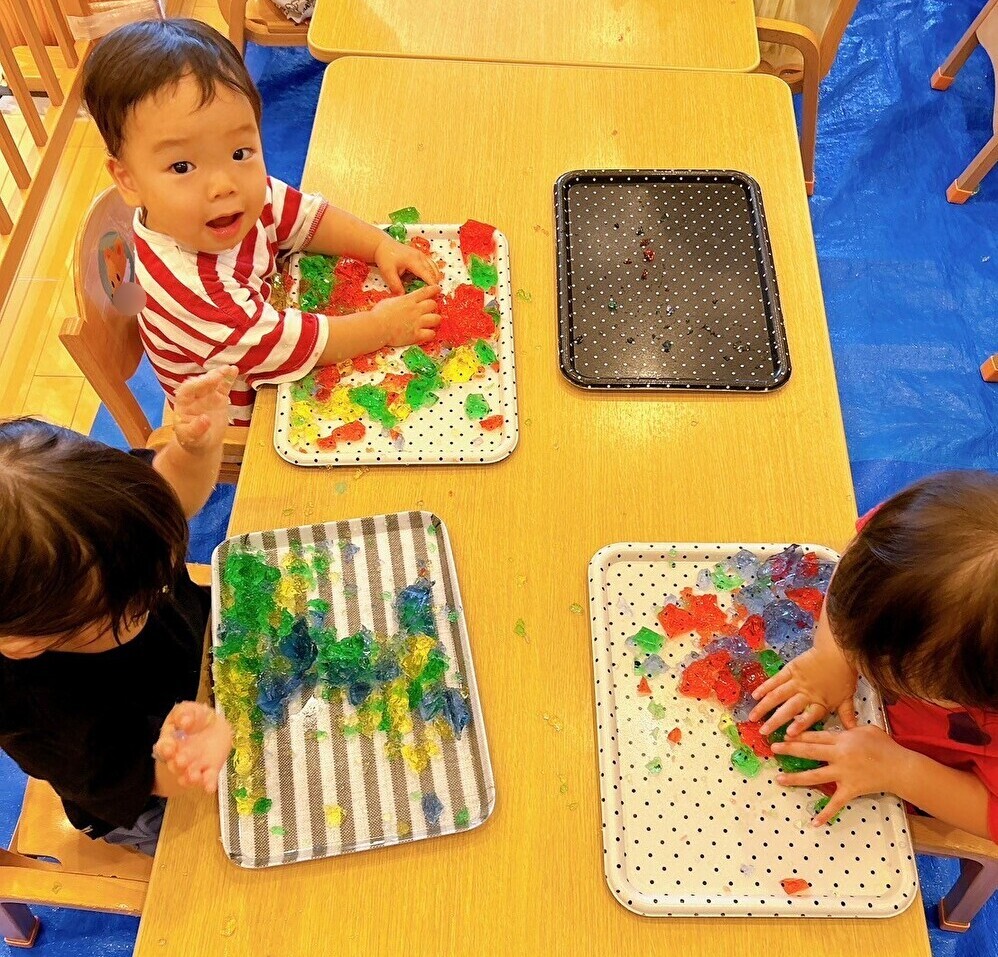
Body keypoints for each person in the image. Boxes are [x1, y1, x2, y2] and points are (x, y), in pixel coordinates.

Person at [82, 18, 442, 426]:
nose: (223, 185)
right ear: (128, 180)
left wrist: (380, 245)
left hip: (268, 325)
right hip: (236, 418)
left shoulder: (223, 201)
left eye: (239, 152)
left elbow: (301, 216)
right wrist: (382, 327)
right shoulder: (199, 295)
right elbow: (293, 343)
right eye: (182, 166)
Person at [0, 367, 240, 854]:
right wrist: (188, 759)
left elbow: (168, 497)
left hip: (202, 654)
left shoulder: (102, 520)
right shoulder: (43, 715)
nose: (163, 581)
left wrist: (193, 450)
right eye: (136, 603)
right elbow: (135, 781)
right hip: (153, 785)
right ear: (28, 643)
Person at [750, 471, 998, 840]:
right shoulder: (918, 539)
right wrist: (831, 652)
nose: (859, 658)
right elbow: (858, 555)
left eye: (885, 668)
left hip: (921, 778)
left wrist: (901, 771)